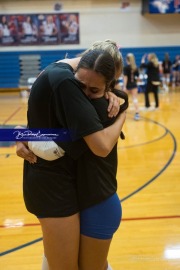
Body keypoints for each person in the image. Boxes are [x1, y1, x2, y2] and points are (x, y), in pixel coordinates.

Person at [16, 46, 126, 270]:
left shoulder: (104, 108)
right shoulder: (69, 91)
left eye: (93, 90)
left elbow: (102, 146)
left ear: (108, 87)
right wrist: (22, 133)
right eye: (81, 85)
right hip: (72, 196)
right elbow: (48, 128)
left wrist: (122, 112)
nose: (84, 93)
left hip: (98, 200)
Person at [123, 53, 140, 120]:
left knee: (125, 100)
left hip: (127, 86)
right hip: (134, 85)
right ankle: (137, 114)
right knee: (135, 99)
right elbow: (138, 78)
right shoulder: (135, 67)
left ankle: (124, 113)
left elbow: (125, 78)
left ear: (127, 59)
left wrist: (124, 86)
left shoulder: (126, 68)